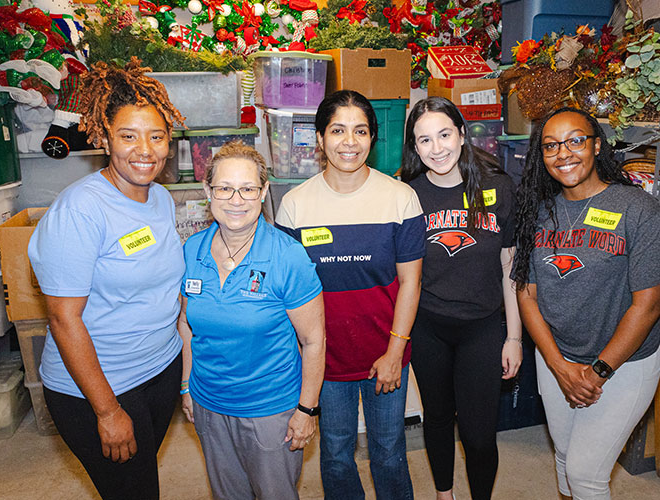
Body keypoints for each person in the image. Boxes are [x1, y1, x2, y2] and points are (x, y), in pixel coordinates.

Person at [27, 58, 186, 500]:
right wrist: (107, 410)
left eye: (156, 137)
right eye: (128, 136)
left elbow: (163, 288)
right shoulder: (80, 209)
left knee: (141, 482)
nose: (145, 150)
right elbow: (62, 319)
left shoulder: (161, 199)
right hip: (102, 387)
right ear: (103, 138)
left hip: (158, 370)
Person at [512, 108, 660, 500]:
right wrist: (559, 366)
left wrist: (596, 373)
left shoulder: (636, 208)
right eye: (551, 146)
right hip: (557, 359)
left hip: (623, 365)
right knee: (566, 457)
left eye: (575, 140)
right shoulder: (537, 213)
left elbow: (648, 306)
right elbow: (527, 294)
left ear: (596, 145)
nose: (564, 153)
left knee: (586, 472)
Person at [274, 90, 425, 500]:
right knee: (336, 453)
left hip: (385, 354)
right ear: (320, 138)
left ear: (373, 138)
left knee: (389, 452)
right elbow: (287, 294)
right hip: (326, 358)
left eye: (360, 131)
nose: (349, 142)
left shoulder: (400, 198)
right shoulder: (294, 206)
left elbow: (410, 282)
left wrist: (395, 352)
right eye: (337, 130)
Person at [176, 141, 326, 499]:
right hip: (209, 404)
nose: (236, 199)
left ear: (263, 193)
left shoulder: (287, 256)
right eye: (225, 188)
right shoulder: (191, 250)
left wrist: (307, 409)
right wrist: (186, 385)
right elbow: (186, 322)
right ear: (207, 191)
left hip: (270, 411)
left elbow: (314, 340)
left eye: (248, 189)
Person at [399, 96, 522, 500]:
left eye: (444, 134)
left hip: (482, 328)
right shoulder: (407, 195)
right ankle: (443, 494)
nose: (437, 148)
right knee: (436, 418)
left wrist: (514, 337)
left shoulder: (499, 187)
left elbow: (510, 269)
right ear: (414, 148)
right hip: (429, 326)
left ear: (463, 133)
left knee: (480, 435)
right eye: (424, 140)